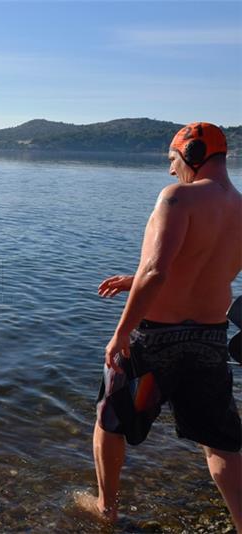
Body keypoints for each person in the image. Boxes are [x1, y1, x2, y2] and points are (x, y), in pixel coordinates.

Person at [77, 122, 242, 528]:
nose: (171, 171)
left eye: (172, 160)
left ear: (192, 153)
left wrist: (120, 334)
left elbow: (156, 273)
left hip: (154, 337)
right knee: (220, 441)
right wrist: (134, 280)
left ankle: (106, 508)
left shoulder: (177, 198)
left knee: (110, 421)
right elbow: (208, 268)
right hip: (210, 336)